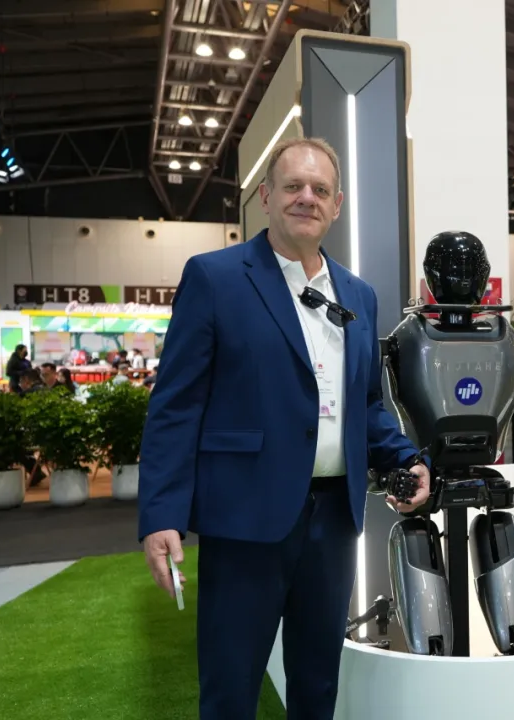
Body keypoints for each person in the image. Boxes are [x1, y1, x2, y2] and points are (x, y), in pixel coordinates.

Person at [137, 136, 431, 720]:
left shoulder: (359, 295)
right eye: (293, 186)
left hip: (333, 522)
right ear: (266, 197)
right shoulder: (215, 278)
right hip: (244, 520)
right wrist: (161, 513)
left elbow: (366, 403)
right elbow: (175, 406)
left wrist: (404, 456)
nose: (306, 198)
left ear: (337, 205)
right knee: (230, 689)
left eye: (320, 189)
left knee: (318, 685)